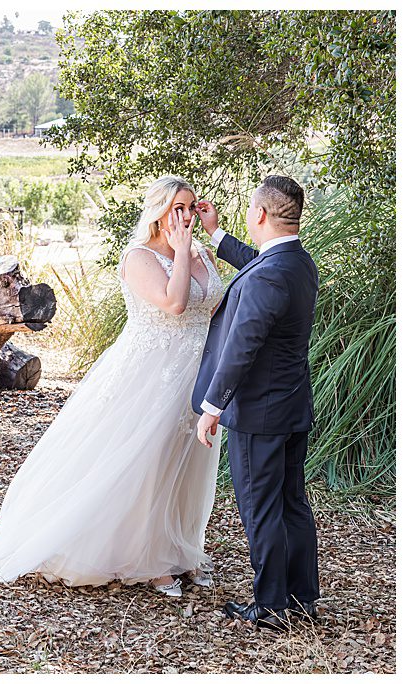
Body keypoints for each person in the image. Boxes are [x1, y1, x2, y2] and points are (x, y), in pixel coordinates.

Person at [0, 176, 222, 597]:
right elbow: (175, 302)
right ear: (158, 212)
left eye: (189, 207)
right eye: (176, 208)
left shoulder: (201, 251)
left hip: (197, 371)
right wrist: (182, 252)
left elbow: (214, 302)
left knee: (187, 461)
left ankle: (181, 548)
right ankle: (151, 559)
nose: (184, 217)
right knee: (150, 459)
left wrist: (202, 243)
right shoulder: (139, 257)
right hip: (152, 372)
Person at [193, 176, 320, 630]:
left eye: (250, 209)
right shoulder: (296, 263)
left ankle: (269, 607)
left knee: (261, 507)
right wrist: (216, 234)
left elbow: (241, 348)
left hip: (260, 415)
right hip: (290, 409)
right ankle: (302, 599)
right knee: (291, 504)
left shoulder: (273, 273)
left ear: (261, 215)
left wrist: (211, 408)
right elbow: (256, 263)